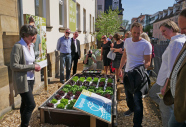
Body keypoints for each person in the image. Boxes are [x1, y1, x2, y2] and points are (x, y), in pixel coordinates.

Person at [149, 20, 186, 127]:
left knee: (165, 110)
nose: (162, 34)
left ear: (172, 28)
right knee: (153, 95)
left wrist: (167, 85)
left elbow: (173, 68)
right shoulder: (175, 41)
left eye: (164, 31)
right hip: (163, 80)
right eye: (161, 32)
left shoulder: (176, 43)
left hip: (166, 81)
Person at [119, 22, 152, 127]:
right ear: (130, 31)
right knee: (128, 97)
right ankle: (131, 109)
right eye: (134, 32)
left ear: (141, 31)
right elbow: (124, 55)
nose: (136, 35)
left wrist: (141, 68)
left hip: (138, 76)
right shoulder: (127, 41)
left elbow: (148, 62)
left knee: (137, 100)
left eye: (138, 33)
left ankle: (137, 123)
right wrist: (120, 68)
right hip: (128, 74)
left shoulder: (146, 44)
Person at [10, 24, 41, 127]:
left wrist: (35, 66)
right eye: (31, 35)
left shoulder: (31, 46)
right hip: (23, 80)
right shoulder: (18, 46)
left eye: (34, 35)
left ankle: (22, 124)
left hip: (31, 79)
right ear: (24, 35)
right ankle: (25, 125)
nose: (34, 37)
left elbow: (30, 61)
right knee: (31, 105)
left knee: (25, 103)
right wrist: (32, 67)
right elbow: (14, 65)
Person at [163, 8, 186, 127]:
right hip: (180, 101)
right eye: (181, 28)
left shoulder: (177, 43)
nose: (182, 32)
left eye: (185, 28)